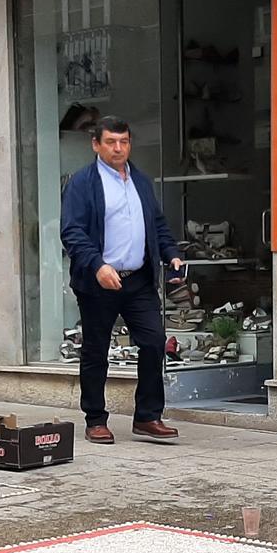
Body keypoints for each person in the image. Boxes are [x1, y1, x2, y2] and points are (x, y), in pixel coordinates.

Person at [59, 117, 184, 444]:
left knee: (155, 342)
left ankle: (147, 416)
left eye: (124, 142)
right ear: (96, 144)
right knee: (96, 351)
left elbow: (157, 223)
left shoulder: (140, 181)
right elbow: (72, 232)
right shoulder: (82, 184)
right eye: (111, 142)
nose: (118, 148)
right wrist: (98, 265)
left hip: (138, 280)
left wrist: (171, 253)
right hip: (98, 281)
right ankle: (95, 419)